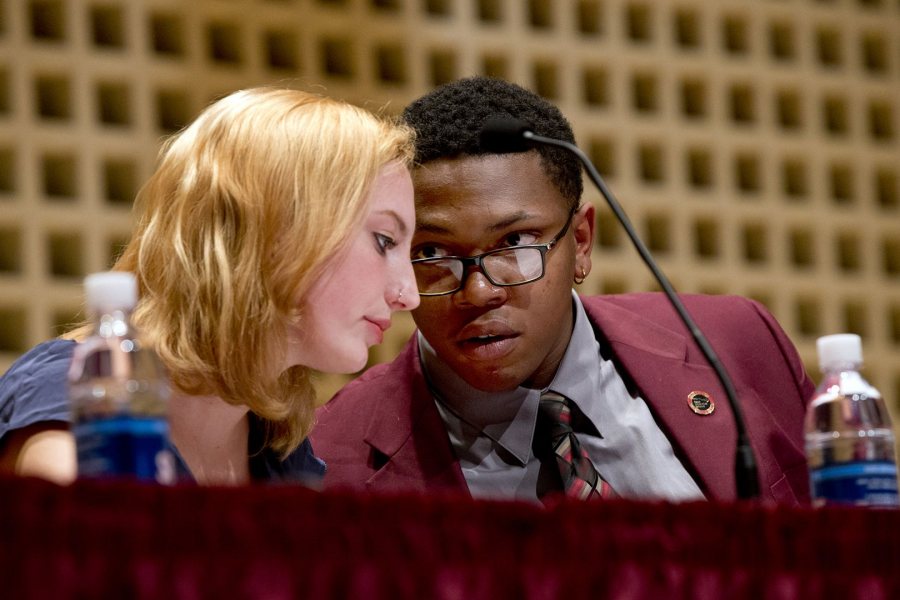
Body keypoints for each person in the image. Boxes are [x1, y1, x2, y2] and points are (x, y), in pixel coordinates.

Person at [310, 76, 815, 505]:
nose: (479, 291)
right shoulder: (332, 460)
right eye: (433, 254)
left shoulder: (739, 342)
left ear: (580, 242)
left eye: (514, 243)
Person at [0, 86, 420, 485]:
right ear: (278, 229)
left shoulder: (279, 454)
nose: (409, 294)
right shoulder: (78, 394)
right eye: (384, 241)